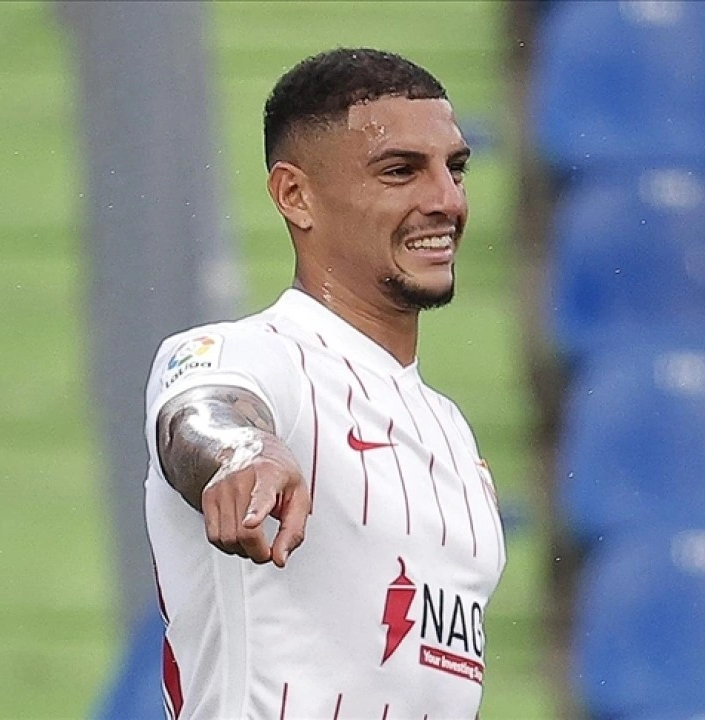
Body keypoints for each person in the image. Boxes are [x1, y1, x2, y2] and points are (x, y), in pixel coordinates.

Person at [142, 48, 506, 719]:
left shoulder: (453, 433)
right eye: (400, 171)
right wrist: (244, 453)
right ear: (295, 195)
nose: (446, 201)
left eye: (454, 169)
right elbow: (201, 413)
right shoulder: (255, 353)